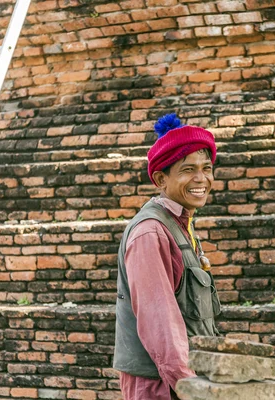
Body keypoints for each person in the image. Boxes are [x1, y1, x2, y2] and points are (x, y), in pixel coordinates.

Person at [113, 114, 221, 400]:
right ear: (161, 178)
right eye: (188, 170)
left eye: (207, 168)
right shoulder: (151, 233)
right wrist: (191, 388)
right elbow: (160, 324)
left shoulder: (181, 225)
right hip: (162, 386)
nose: (202, 179)